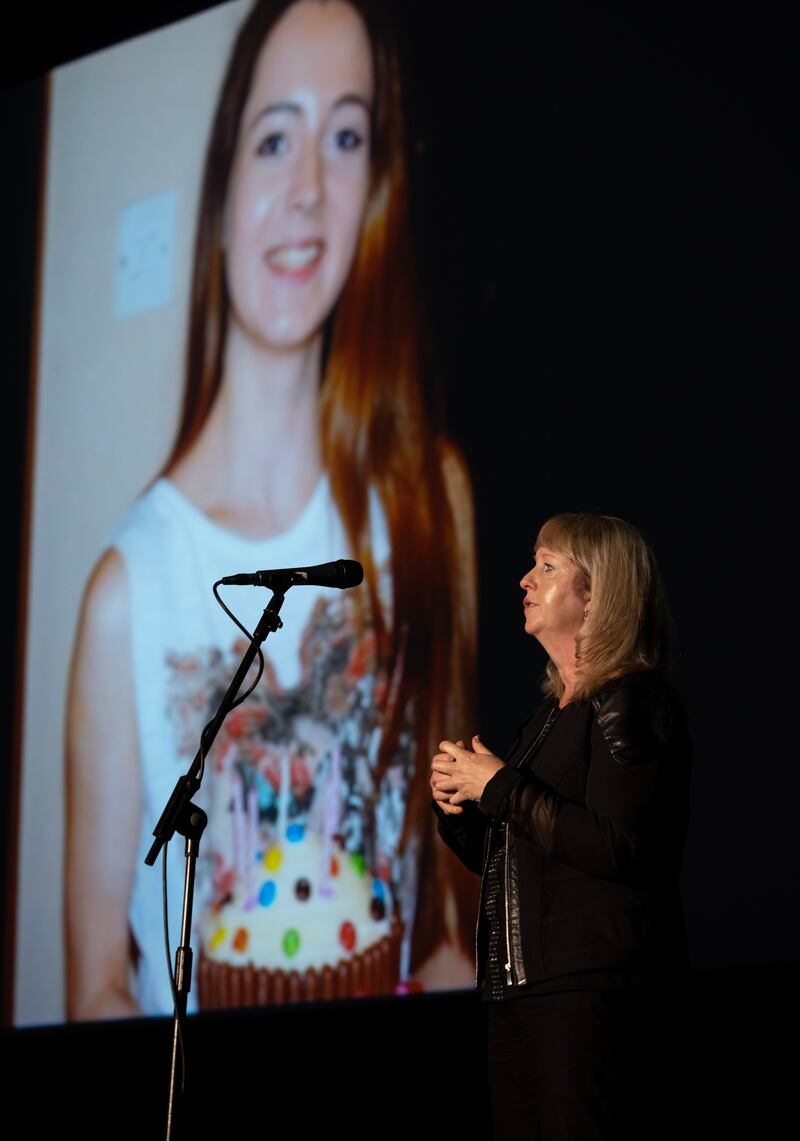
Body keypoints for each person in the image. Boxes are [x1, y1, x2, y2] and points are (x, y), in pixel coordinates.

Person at [65, 0, 476, 1020]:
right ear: (221, 189)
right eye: (274, 137)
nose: (305, 190)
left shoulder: (432, 507)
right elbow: (95, 990)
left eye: (344, 137)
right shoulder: (127, 601)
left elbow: (449, 900)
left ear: (375, 188)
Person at [431, 512, 691, 1140]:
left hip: (591, 990)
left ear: (598, 593)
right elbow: (524, 853)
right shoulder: (547, 718)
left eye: (548, 567)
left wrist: (498, 785)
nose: (524, 579)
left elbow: (620, 844)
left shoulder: (631, 698)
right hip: (518, 987)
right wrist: (460, 807)